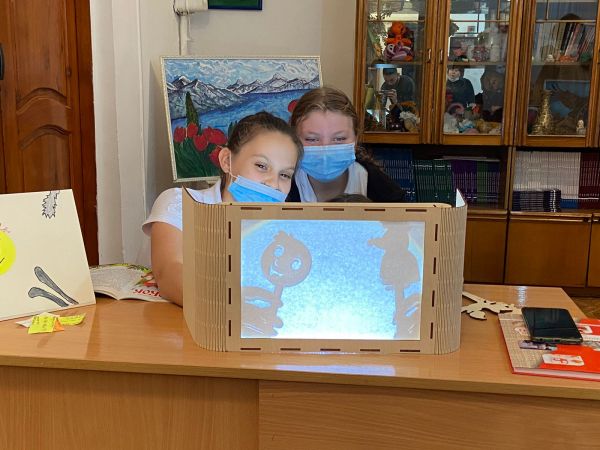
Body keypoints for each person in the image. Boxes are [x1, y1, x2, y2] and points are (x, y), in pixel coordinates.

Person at [143, 111, 303, 306]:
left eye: (285, 175)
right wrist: (234, 303)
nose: (273, 184)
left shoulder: (288, 231)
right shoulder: (181, 203)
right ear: (227, 161)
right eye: (261, 166)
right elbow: (168, 273)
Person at [286, 87, 405, 203]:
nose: (325, 150)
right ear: (294, 140)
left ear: (356, 139)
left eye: (339, 139)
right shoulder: (279, 188)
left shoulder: (386, 194)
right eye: (311, 139)